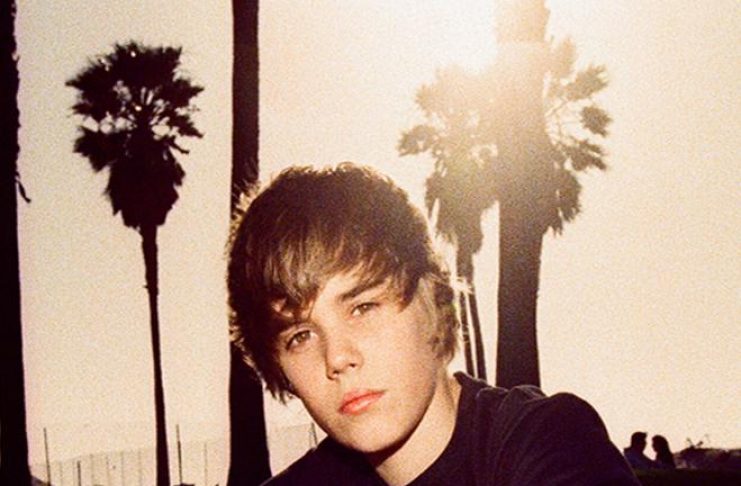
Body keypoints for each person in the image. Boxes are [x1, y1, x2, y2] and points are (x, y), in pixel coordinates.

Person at [227, 163, 639, 485]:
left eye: (363, 307)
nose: (337, 357)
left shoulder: (548, 444)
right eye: (300, 336)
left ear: (432, 296)